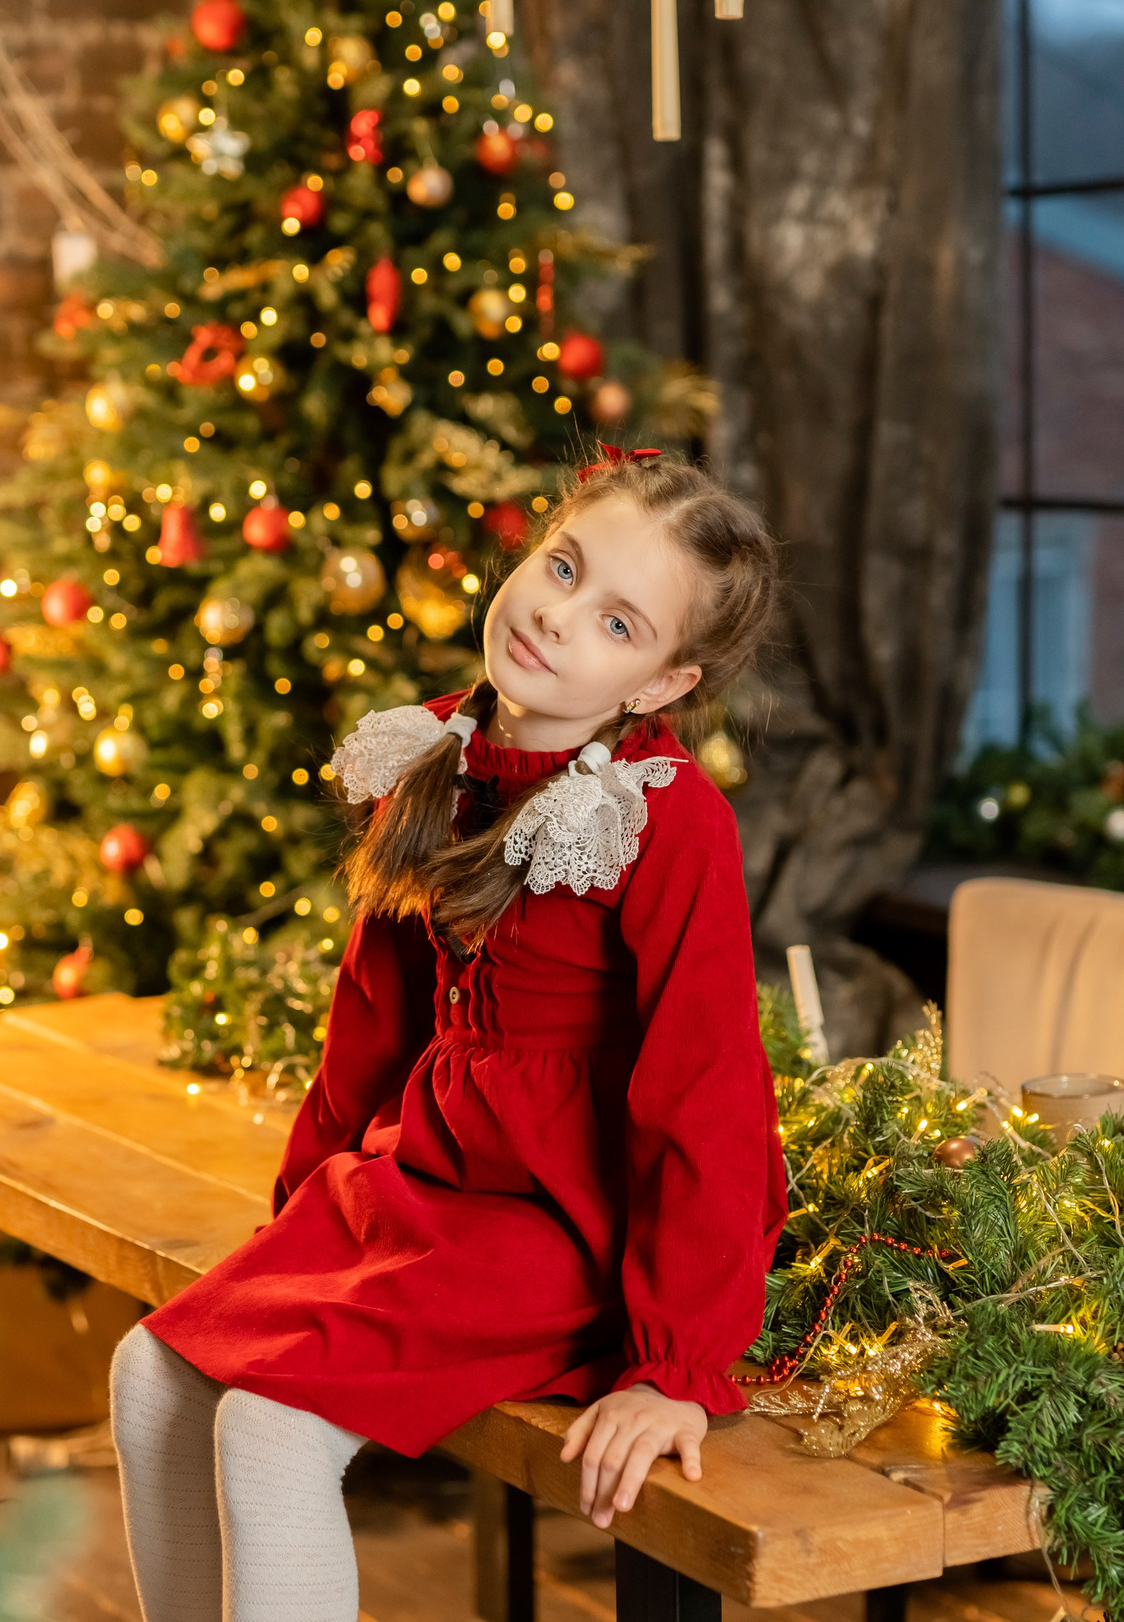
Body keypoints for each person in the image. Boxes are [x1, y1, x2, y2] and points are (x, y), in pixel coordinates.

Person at [110, 450, 786, 1621]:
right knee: (147, 1374)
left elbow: (708, 1094)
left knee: (270, 1427)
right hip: (418, 1181)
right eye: (561, 567)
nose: (556, 615)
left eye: (615, 622)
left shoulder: (666, 822)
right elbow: (373, 1016)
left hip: (558, 1220)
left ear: (661, 681)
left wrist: (675, 1370)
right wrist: (302, 1213)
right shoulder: (432, 753)